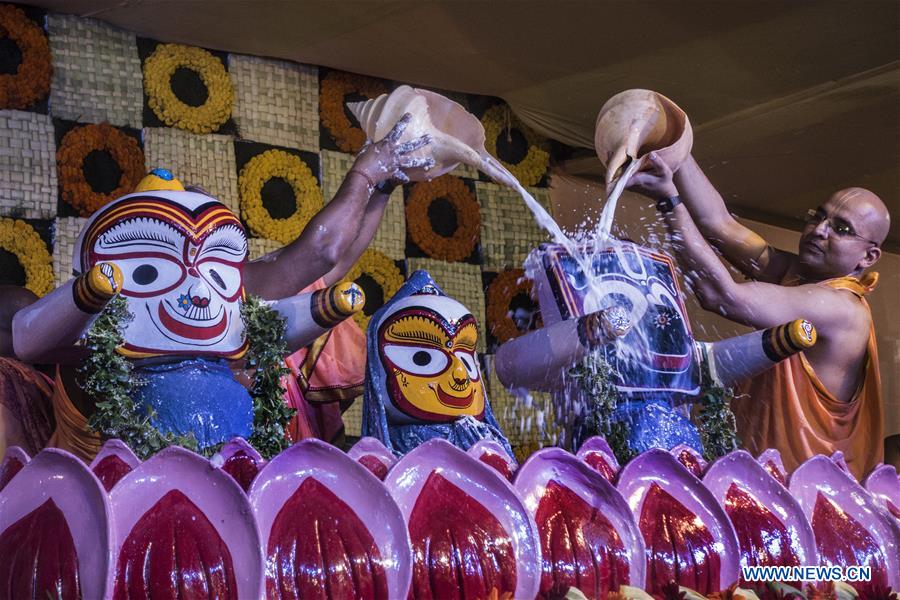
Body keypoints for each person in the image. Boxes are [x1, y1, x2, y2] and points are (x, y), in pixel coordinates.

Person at [627, 152, 891, 478]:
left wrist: (669, 202)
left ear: (869, 256)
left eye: (841, 228)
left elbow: (720, 295)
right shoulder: (795, 274)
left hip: (801, 504)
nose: (819, 230)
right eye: (818, 216)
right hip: (755, 485)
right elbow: (718, 225)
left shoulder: (841, 309)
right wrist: (677, 151)